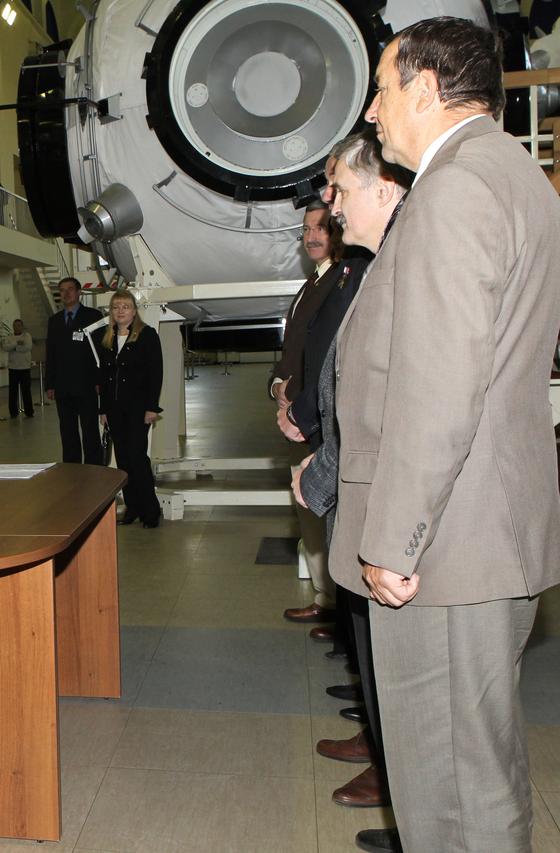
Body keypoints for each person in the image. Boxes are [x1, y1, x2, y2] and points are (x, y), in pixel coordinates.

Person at [332, 18, 560, 852]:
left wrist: (396, 537)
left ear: (426, 89)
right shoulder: (514, 174)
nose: (373, 110)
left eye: (383, 87)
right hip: (482, 532)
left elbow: (441, 380)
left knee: (450, 790)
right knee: (478, 770)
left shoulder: (457, 186)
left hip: (450, 546)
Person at [289, 131, 408, 847]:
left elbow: (383, 394)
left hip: (385, 493)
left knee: (419, 689)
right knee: (374, 650)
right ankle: (389, 762)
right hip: (354, 475)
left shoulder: (390, 265)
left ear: (384, 189)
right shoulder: (361, 266)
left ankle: (405, 794)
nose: (330, 208)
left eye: (338, 191)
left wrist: (324, 468)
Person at [274, 200, 343, 635]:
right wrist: (278, 388)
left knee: (322, 509)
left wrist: (300, 406)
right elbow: (291, 354)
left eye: (321, 228)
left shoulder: (340, 282)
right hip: (300, 414)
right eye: (306, 229)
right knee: (309, 510)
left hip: (321, 421)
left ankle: (334, 602)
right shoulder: (309, 285)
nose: (312, 236)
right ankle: (327, 598)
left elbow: (327, 360)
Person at [97, 291, 162, 528]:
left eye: (125, 306)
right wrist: (103, 409)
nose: (120, 311)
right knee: (123, 460)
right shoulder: (107, 339)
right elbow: (104, 378)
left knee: (137, 458)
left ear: (134, 310)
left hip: (138, 409)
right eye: (116, 307)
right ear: (111, 312)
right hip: (114, 410)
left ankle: (151, 510)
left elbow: (156, 374)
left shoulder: (147, 336)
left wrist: (152, 407)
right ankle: (132, 507)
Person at [44, 277, 103, 464]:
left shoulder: (93, 316)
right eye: (62, 290)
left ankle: (94, 468)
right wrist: (50, 384)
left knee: (90, 431)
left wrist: (99, 381)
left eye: (70, 289)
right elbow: (50, 353)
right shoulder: (54, 321)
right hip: (63, 387)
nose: (66, 293)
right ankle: (71, 470)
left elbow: (101, 351)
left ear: (79, 292)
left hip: (87, 385)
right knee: (67, 432)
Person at [0, 318, 34, 418]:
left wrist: (14, 348)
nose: (17, 327)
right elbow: (5, 347)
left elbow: (27, 347)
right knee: (13, 392)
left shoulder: (27, 336)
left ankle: (29, 412)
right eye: (15, 325)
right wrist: (17, 344)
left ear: (22, 326)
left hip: (25, 368)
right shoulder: (9, 337)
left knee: (26, 391)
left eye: (19, 325)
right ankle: (13, 413)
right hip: (13, 368)